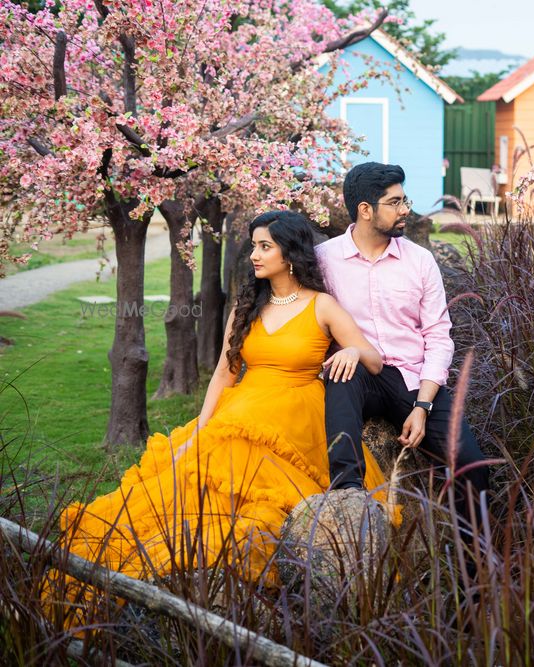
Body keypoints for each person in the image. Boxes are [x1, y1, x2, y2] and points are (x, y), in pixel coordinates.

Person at [47, 210, 391, 624]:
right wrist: (201, 430)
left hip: (296, 415)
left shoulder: (322, 306)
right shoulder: (248, 306)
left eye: (266, 246)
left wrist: (351, 349)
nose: (255, 256)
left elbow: (374, 359)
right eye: (254, 247)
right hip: (241, 409)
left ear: (292, 253)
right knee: (184, 486)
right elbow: (223, 375)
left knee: (257, 511)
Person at [317, 162, 489, 533]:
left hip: (414, 378)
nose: (406, 209)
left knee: (472, 469)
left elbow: (439, 335)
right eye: (395, 202)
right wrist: (342, 350)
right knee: (341, 374)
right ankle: (348, 498)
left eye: (404, 199)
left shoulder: (419, 260)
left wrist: (424, 405)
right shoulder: (325, 260)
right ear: (366, 210)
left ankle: (472, 579)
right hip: (360, 372)